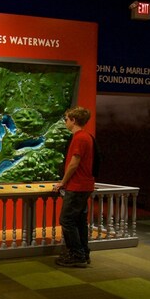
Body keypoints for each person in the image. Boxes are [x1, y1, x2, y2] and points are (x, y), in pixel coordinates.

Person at [53, 106, 96, 268]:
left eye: (67, 119)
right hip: (85, 185)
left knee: (66, 219)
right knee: (79, 220)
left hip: (77, 186)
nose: (66, 122)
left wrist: (62, 182)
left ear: (74, 120)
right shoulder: (88, 137)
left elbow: (74, 163)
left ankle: (76, 254)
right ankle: (83, 253)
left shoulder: (79, 138)